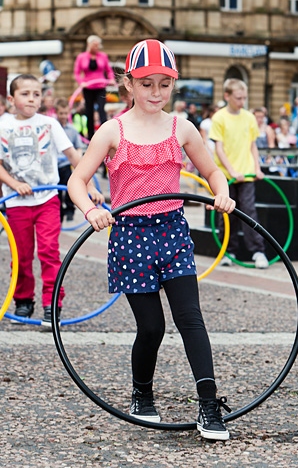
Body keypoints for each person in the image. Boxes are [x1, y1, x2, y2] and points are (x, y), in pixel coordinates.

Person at [68, 39, 236, 441]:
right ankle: (142, 395)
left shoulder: (183, 128)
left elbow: (213, 173)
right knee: (152, 327)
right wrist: (91, 210)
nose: (156, 93)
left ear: (173, 84)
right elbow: (78, 180)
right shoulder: (113, 130)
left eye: (164, 84)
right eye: (146, 84)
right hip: (129, 236)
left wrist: (223, 192)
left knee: (191, 318)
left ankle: (209, 404)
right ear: (128, 84)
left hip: (173, 231)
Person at [0, 74, 104, 328]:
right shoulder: (3, 124)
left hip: (47, 200)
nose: (32, 99)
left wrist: (89, 185)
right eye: (25, 94)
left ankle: (52, 304)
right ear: (12, 98)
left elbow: (74, 156)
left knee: (49, 252)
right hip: (16, 203)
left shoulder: (50, 124)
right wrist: (14, 184)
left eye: (37, 94)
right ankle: (23, 301)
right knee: (22, 256)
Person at [209, 78, 269, 269]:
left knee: (249, 210)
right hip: (226, 176)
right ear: (227, 96)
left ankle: (258, 251)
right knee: (226, 213)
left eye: (244, 98)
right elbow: (219, 148)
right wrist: (232, 171)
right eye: (238, 98)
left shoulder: (249, 118)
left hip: (247, 174)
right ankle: (228, 252)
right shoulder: (219, 118)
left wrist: (257, 169)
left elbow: (252, 145)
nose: (242, 102)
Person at [73, 35, 116, 140]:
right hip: (88, 88)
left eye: (98, 45)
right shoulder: (81, 57)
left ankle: (106, 135)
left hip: (100, 87)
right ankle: (90, 137)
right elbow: (77, 73)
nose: (97, 47)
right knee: (89, 112)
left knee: (102, 111)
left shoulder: (103, 56)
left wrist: (111, 79)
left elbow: (109, 70)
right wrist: (81, 82)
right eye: (95, 45)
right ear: (89, 45)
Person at [55, 97, 86, 221]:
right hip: (55, 166)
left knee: (69, 189)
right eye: (61, 113)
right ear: (56, 112)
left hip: (67, 165)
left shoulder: (72, 130)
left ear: (69, 113)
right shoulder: (53, 128)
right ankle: (59, 213)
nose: (63, 116)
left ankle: (69, 210)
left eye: (65, 113)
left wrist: (77, 160)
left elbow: (78, 147)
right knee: (56, 192)